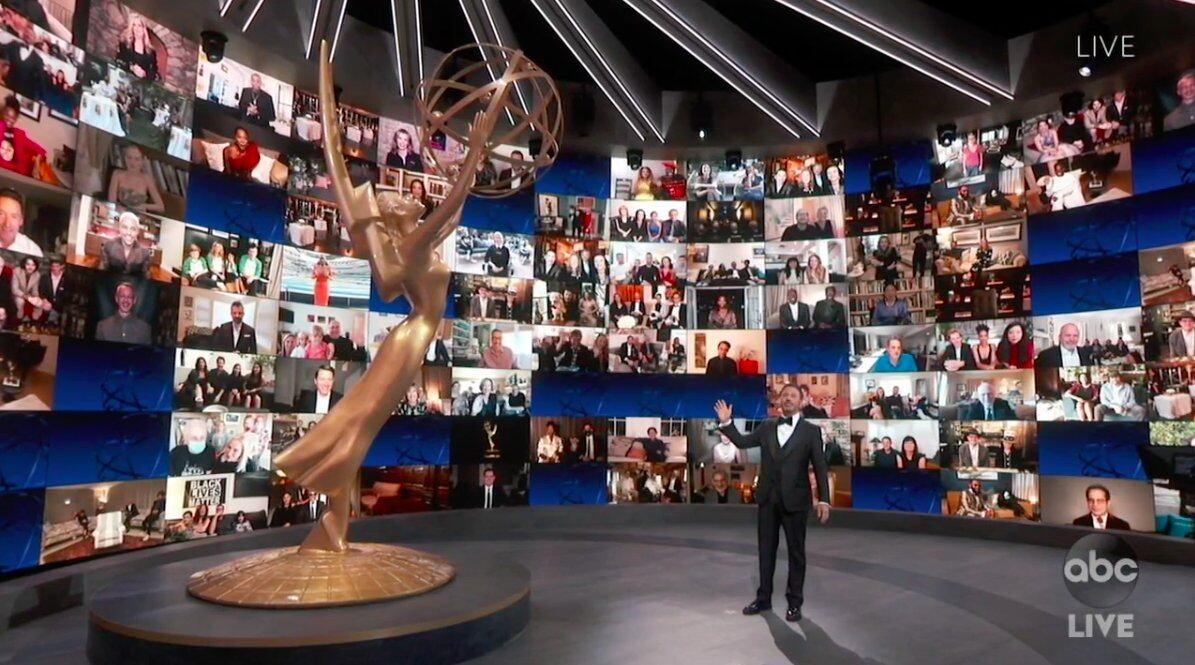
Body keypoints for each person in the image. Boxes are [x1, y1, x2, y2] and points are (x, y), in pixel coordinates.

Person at [714, 385, 830, 622]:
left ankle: (794, 603)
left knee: (796, 554)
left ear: (802, 401)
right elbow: (743, 442)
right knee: (765, 552)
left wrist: (824, 499)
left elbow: (820, 466)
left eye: (793, 395)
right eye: (785, 394)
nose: (788, 398)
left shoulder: (811, 431)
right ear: (779, 400)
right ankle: (763, 598)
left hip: (796, 502)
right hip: (768, 500)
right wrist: (726, 422)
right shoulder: (767, 426)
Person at [107, 143, 165, 213]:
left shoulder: (147, 179)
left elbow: (160, 207)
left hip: (139, 215)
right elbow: (111, 202)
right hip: (120, 213)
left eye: (137, 159)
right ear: (124, 158)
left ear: (142, 161)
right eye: (129, 158)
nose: (132, 162)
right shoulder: (117, 174)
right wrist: (118, 208)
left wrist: (143, 206)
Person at [115, 13, 159, 81]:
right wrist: (131, 68)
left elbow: (154, 73)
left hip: (141, 84)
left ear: (144, 29)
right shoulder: (125, 44)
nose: (136, 29)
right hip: (124, 79)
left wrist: (144, 74)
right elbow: (118, 60)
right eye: (134, 25)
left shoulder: (150, 51)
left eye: (139, 25)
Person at [0, 188, 40, 256]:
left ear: (21, 220)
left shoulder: (32, 250)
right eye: (1, 214)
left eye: (14, 216)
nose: (7, 224)